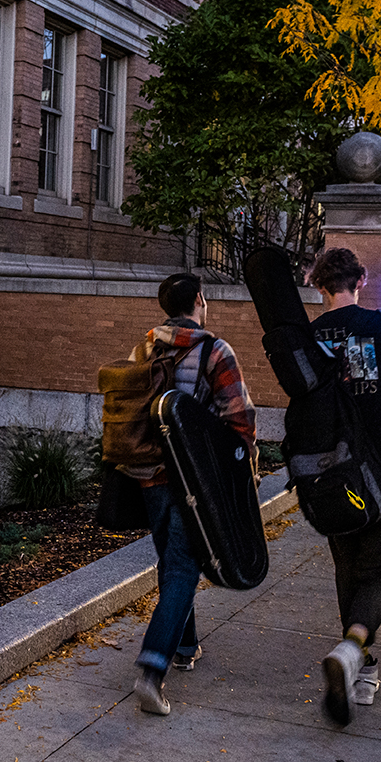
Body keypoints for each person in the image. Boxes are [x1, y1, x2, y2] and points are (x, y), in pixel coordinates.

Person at [127, 271, 257, 716]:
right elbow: (239, 418)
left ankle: (184, 645)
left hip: (148, 476)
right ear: (200, 301)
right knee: (185, 566)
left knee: (175, 560)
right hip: (192, 480)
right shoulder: (214, 350)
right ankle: (152, 668)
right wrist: (242, 472)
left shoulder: (144, 348)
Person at [307, 247, 381, 725]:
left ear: (319, 285)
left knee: (347, 569)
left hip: (329, 476)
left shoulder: (306, 341)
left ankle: (363, 670)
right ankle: (353, 651)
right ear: (362, 280)